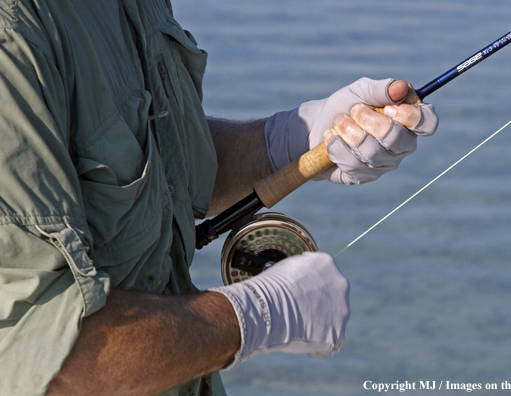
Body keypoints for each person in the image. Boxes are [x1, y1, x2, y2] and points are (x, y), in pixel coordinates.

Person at [0, 0, 438, 395]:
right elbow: (38, 361)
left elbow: (151, 164)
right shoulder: (12, 35)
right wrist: (254, 317)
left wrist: (291, 141)